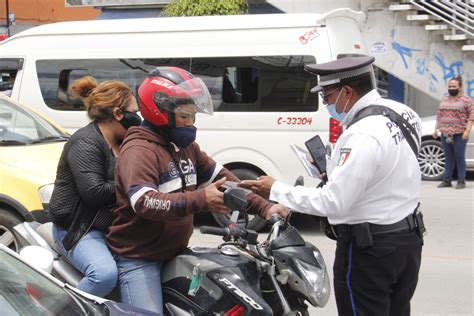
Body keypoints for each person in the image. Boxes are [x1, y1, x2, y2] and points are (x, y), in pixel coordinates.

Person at [241, 56, 425, 316]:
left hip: (370, 250)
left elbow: (334, 202)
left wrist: (275, 189)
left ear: (347, 92)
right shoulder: (404, 113)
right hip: (407, 241)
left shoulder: (361, 134)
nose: (325, 103)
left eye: (326, 96)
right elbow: (386, 171)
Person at [106, 66, 285, 313]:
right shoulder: (139, 151)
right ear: (160, 113)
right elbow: (144, 202)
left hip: (176, 252)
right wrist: (202, 198)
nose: (191, 124)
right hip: (139, 259)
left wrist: (266, 208)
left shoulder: (185, 147)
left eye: (193, 116)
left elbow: (224, 179)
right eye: (184, 116)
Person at [48, 76, 142, 297]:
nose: (138, 118)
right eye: (134, 112)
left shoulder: (123, 141)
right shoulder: (86, 142)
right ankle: (66, 311)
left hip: (112, 227)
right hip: (78, 228)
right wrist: (136, 186)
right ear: (118, 114)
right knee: (104, 274)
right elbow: (95, 192)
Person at [433, 76, 473, 189]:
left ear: (459, 87)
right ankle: (447, 180)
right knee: (448, 157)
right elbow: (439, 115)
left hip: (460, 133)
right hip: (445, 133)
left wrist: (467, 131)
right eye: (450, 86)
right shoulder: (444, 99)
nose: (451, 88)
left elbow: (472, 116)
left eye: (454, 86)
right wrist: (436, 129)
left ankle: (461, 181)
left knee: (459, 157)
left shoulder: (466, 100)